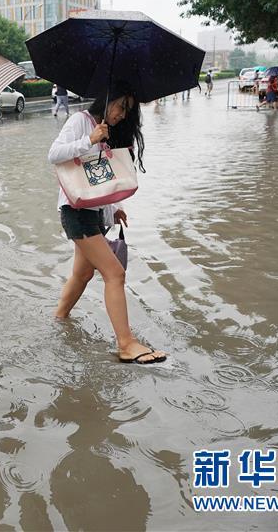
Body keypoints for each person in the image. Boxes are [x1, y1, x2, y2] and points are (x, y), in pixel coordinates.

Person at [47, 82, 167, 365]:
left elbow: (98, 179)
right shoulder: (81, 121)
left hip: (95, 214)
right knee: (115, 273)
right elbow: (54, 154)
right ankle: (126, 344)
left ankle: (58, 320)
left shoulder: (108, 132)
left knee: (82, 275)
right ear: (107, 99)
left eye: (128, 111)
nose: (122, 115)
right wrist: (89, 139)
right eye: (121, 107)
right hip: (76, 212)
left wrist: (114, 208)